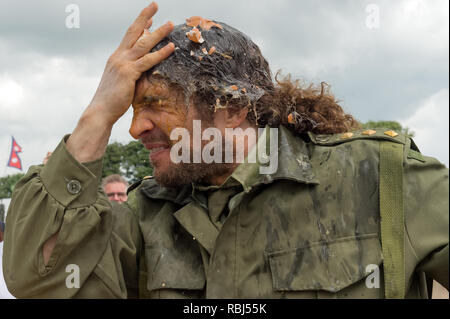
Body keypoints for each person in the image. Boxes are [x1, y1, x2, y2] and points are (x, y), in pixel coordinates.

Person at [3, 3, 448, 299]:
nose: (136, 127)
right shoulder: (140, 216)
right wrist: (97, 115)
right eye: (128, 109)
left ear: (231, 108)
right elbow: (34, 278)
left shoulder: (381, 177)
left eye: (155, 105)